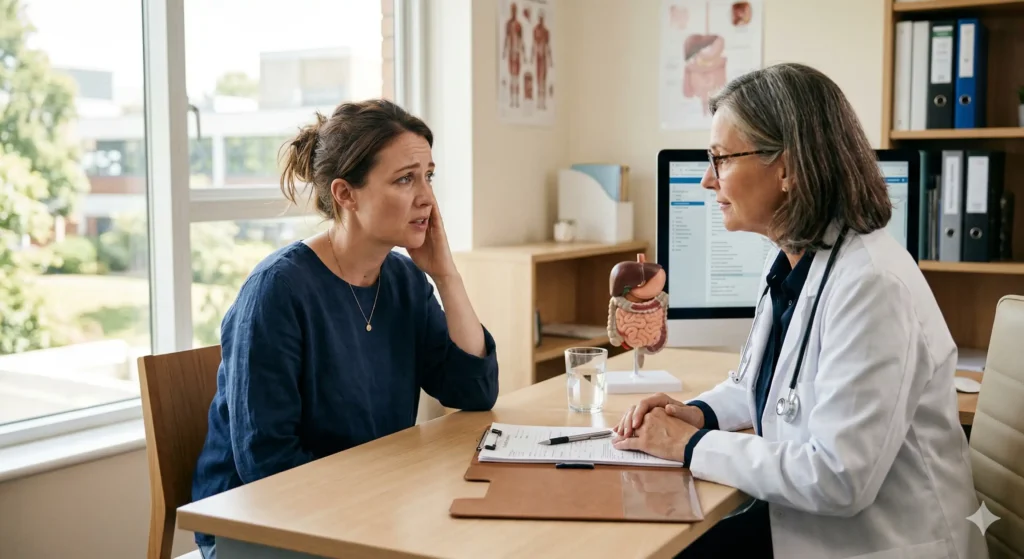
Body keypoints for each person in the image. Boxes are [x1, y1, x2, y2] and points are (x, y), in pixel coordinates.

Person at [612, 63, 988, 559]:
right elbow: (767, 390)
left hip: (884, 543)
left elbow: (837, 479)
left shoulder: (872, 285)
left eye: (721, 159)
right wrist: (697, 413)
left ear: (788, 168)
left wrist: (687, 444)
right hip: (804, 529)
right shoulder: (796, 256)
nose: (707, 180)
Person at [190, 99, 500, 559]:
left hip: (366, 508)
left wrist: (447, 276)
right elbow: (267, 462)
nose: (427, 198)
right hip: (264, 524)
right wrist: (379, 501)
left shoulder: (402, 279)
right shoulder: (277, 290)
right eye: (404, 179)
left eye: (428, 176)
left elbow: (473, 392)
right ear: (345, 194)